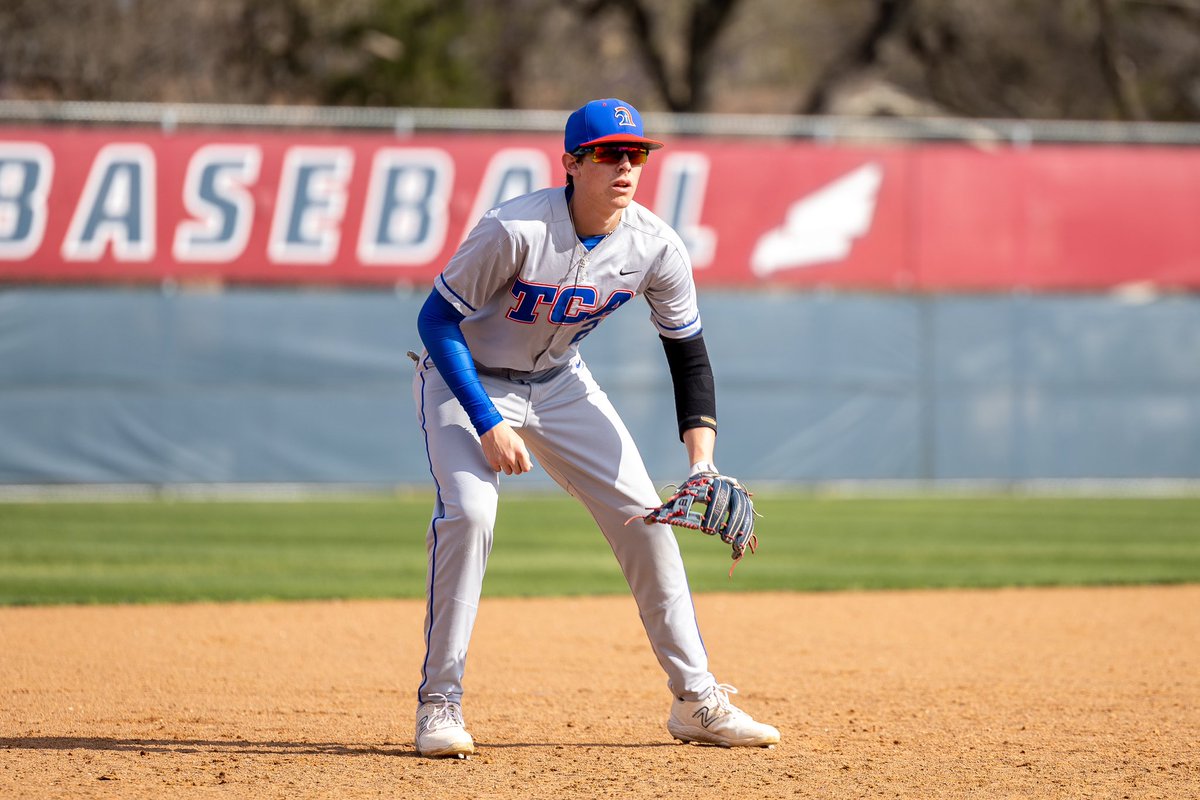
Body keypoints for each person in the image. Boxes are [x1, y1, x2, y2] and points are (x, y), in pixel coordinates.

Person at [410, 97, 779, 758]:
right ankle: (440, 704)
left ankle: (696, 700)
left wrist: (703, 464)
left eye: (635, 153)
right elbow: (436, 322)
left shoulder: (655, 246)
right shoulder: (513, 229)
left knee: (648, 516)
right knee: (470, 513)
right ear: (572, 163)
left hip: (561, 384)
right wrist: (488, 420)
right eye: (609, 153)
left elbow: (688, 356)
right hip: (467, 377)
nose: (625, 166)